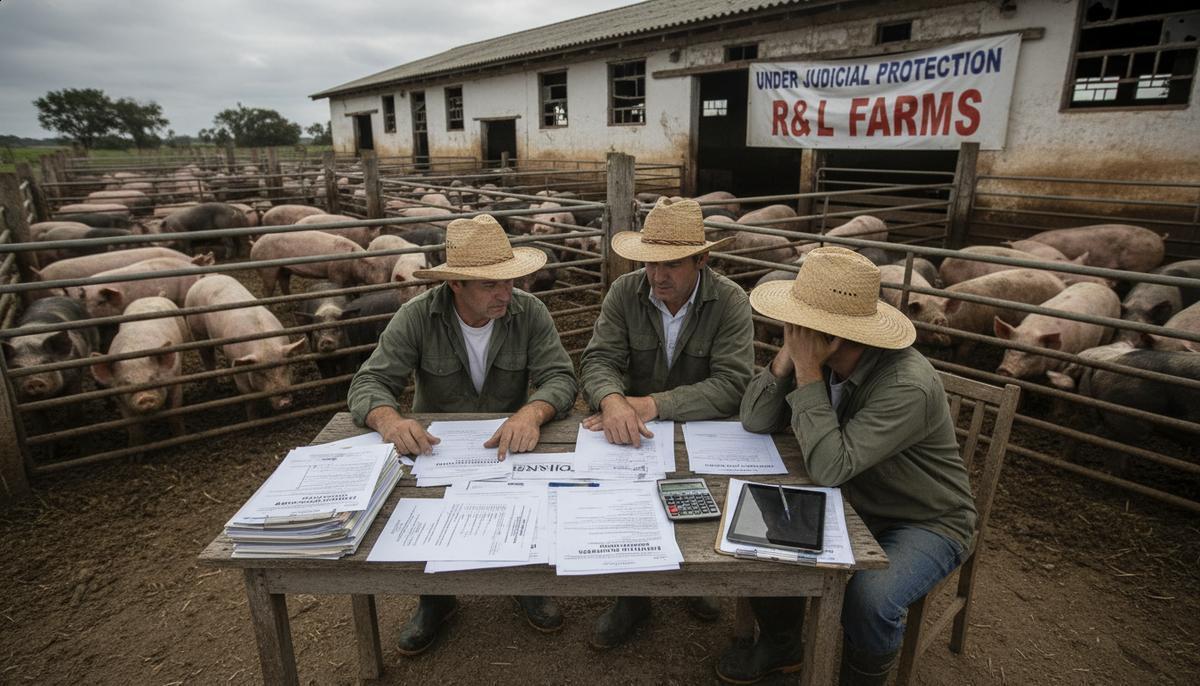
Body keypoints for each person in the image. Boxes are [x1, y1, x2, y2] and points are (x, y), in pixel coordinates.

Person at [718, 246, 976, 685]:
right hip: (851, 496)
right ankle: (784, 648)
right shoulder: (822, 360)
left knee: (869, 599)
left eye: (798, 322)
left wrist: (807, 372)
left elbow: (829, 468)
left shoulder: (905, 384)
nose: (791, 328)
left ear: (831, 333)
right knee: (760, 542)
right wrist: (787, 358)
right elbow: (755, 420)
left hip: (922, 518)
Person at [347, 214, 578, 656]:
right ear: (455, 284)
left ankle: (525, 580)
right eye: (489, 285)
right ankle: (435, 598)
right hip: (439, 450)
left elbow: (560, 378)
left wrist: (532, 412)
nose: (504, 292)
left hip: (506, 442)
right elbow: (369, 382)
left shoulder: (530, 313)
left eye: (507, 280)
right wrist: (390, 422)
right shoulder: (417, 316)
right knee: (428, 517)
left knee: (526, 505)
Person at [579, 197, 755, 648]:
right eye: (650, 263)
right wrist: (612, 399)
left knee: (701, 503)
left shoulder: (730, 302)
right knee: (625, 501)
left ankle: (694, 581)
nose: (658, 276)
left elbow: (733, 384)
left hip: (699, 430)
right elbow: (598, 358)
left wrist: (651, 403)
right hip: (636, 430)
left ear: (702, 259)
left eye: (672, 264)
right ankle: (632, 595)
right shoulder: (625, 292)